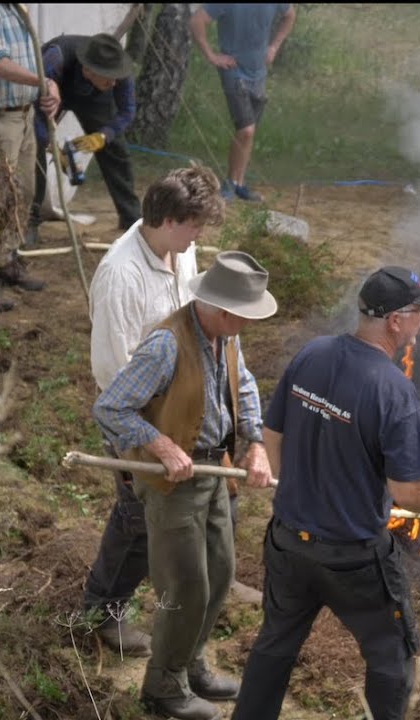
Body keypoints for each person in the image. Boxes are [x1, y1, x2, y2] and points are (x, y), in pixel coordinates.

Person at [231, 266, 420, 720]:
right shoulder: (393, 389)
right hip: (353, 559)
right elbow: (408, 491)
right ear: (395, 320)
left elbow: (272, 433)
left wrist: (297, 484)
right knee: (392, 656)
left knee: (275, 644)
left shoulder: (312, 354)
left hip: (289, 541)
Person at [82, 166, 263, 659]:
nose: (201, 235)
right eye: (195, 225)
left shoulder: (182, 253)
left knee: (215, 502)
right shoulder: (122, 275)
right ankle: (103, 612)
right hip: (144, 419)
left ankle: (203, 582)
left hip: (194, 409)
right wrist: (142, 442)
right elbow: (114, 372)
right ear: (168, 219)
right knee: (137, 518)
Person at [94, 251, 277, 720]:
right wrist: (160, 446)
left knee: (218, 577)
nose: (247, 326)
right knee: (185, 584)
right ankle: (163, 686)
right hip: (174, 484)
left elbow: (246, 385)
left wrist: (255, 442)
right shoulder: (166, 345)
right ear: (221, 309)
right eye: (244, 317)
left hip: (215, 475)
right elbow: (111, 408)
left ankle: (189, 664)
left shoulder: (226, 337)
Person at [0, 2, 59, 304]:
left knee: (23, 192)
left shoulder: (18, 11)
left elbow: (34, 66)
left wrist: (49, 86)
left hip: (24, 115)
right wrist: (38, 81)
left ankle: (7, 260)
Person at [28, 33, 141, 242]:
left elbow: (128, 111)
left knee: (115, 149)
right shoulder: (55, 57)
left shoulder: (117, 67)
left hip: (95, 96)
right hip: (52, 90)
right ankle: (31, 221)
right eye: (109, 76)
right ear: (88, 69)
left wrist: (104, 136)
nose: (115, 82)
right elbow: (33, 102)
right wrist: (49, 144)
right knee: (35, 147)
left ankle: (132, 219)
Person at [188, 4, 296, 203]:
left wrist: (274, 46)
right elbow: (197, 21)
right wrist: (211, 55)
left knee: (249, 132)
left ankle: (239, 183)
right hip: (234, 71)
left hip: (259, 73)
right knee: (246, 129)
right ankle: (230, 183)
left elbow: (289, 16)